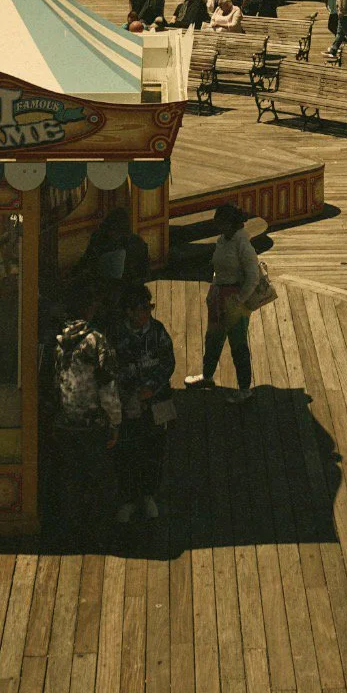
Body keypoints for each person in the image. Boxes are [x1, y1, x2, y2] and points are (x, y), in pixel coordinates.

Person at [53, 290, 122, 545]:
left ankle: (70, 531)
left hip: (65, 420)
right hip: (92, 423)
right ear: (90, 309)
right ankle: (99, 533)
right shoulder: (96, 341)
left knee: (71, 478)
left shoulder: (58, 341)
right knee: (102, 480)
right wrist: (115, 422)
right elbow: (107, 387)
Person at [113, 284, 177, 522]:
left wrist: (151, 388)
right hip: (130, 403)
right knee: (129, 450)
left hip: (157, 401)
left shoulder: (158, 331)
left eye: (148, 307)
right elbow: (114, 367)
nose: (146, 313)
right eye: (141, 309)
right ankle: (129, 499)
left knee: (155, 449)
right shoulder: (119, 335)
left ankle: (149, 495)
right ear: (129, 311)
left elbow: (168, 363)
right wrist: (133, 391)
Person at [185, 203, 260, 401]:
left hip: (235, 298)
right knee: (213, 339)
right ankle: (207, 376)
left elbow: (253, 277)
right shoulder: (223, 240)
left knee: (238, 345)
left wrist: (239, 300)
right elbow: (218, 269)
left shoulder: (243, 244)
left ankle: (245, 388)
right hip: (219, 294)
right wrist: (213, 291)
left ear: (230, 223)